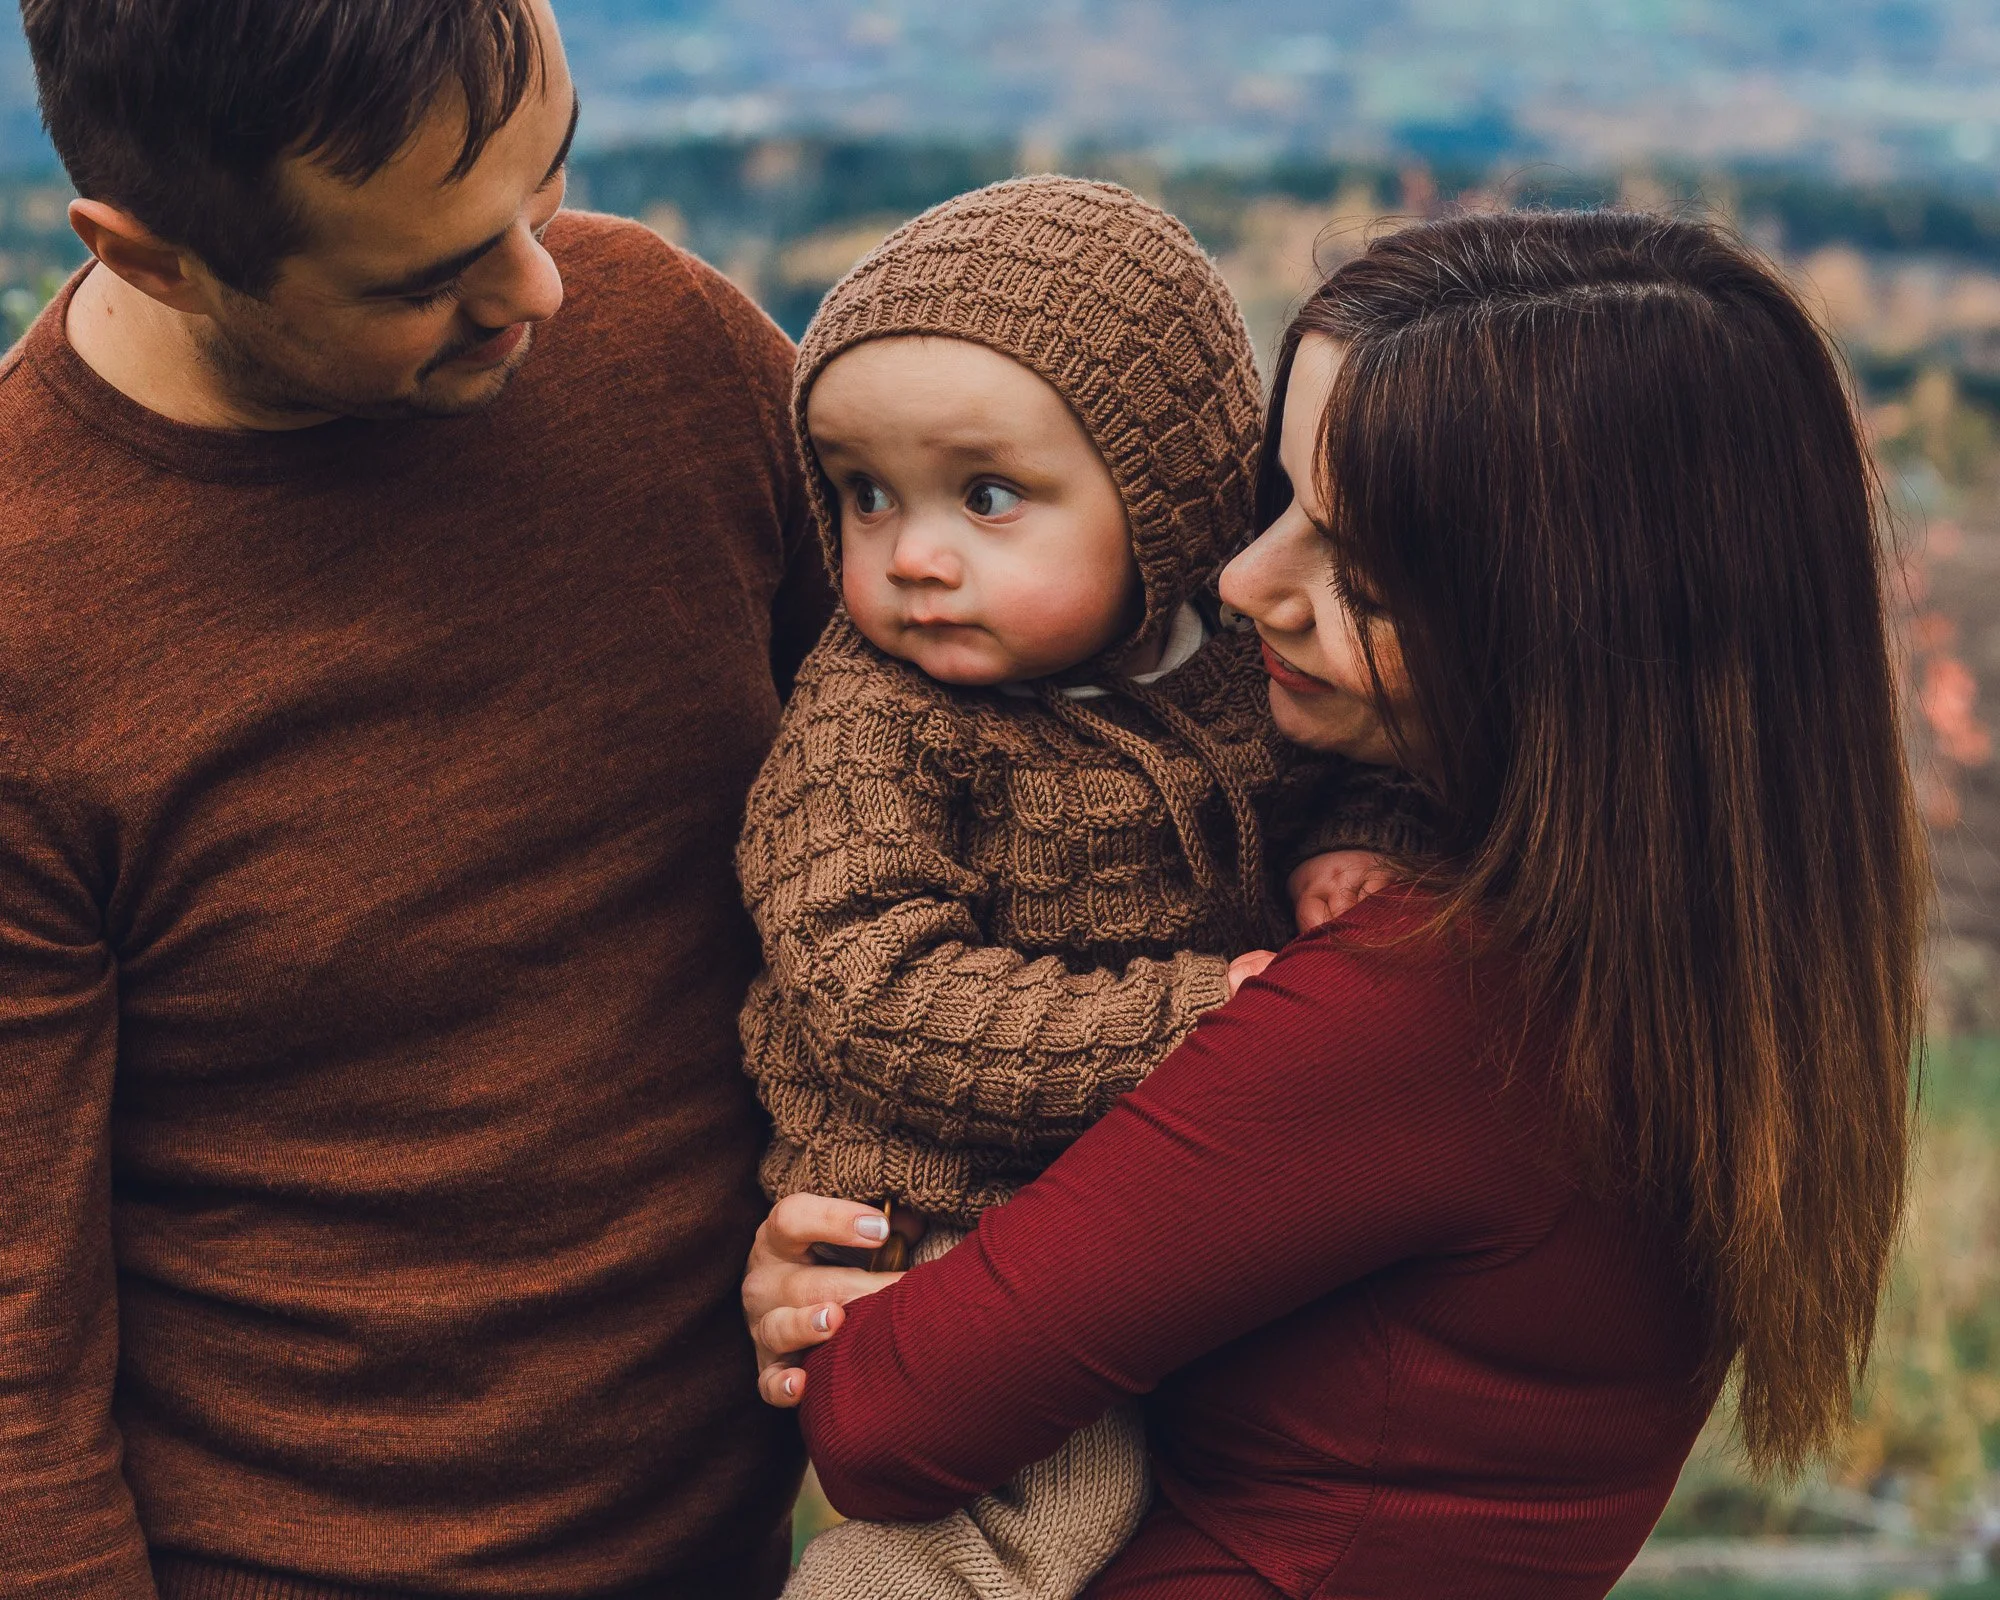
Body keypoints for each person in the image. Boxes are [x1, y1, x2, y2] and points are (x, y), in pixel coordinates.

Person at [742, 210, 1929, 1597]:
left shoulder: (1418, 1013)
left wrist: (831, 1318)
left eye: (1356, 574)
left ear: (1562, 628)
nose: (1244, 584)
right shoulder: (1701, 936)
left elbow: (887, 1429)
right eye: (1273, 503)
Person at [2, 1, 829, 1595]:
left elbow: (963, 761)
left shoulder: (667, 346)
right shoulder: (31, 636)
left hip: (755, 1531)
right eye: (423, 278)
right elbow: (16, 1376)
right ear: (148, 252)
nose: (543, 288)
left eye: (549, 183)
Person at [737, 177, 1425, 1600]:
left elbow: (1345, 761)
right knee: (1019, 1523)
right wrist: (1214, 1020)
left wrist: (1349, 840)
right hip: (941, 1200)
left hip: (1151, 1185)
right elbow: (874, 996)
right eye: (866, 497)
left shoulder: (1232, 658)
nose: (916, 556)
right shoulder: (874, 720)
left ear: (1167, 498)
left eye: (988, 497)